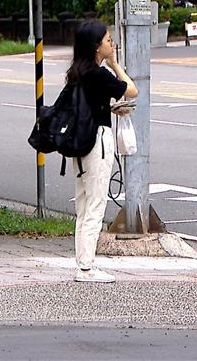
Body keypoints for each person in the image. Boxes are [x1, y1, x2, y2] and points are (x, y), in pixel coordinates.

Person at [66, 20, 138, 283]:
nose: (111, 43)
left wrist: (108, 109)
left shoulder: (76, 72)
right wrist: (115, 64)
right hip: (98, 142)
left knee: (84, 205)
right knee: (96, 204)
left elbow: (86, 107)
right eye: (108, 40)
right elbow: (132, 89)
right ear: (97, 47)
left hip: (79, 144)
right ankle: (86, 268)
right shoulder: (100, 74)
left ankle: (82, 264)